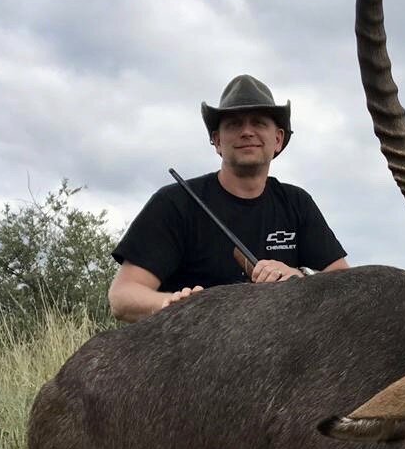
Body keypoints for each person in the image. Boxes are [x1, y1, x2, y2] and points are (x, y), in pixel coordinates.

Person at [109, 75, 349, 322]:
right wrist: (174, 305)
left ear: (278, 139)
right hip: (190, 349)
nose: (247, 132)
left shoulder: (297, 203)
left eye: (258, 123)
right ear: (217, 141)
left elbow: (346, 285)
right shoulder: (174, 203)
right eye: (234, 124)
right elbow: (122, 296)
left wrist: (299, 276)